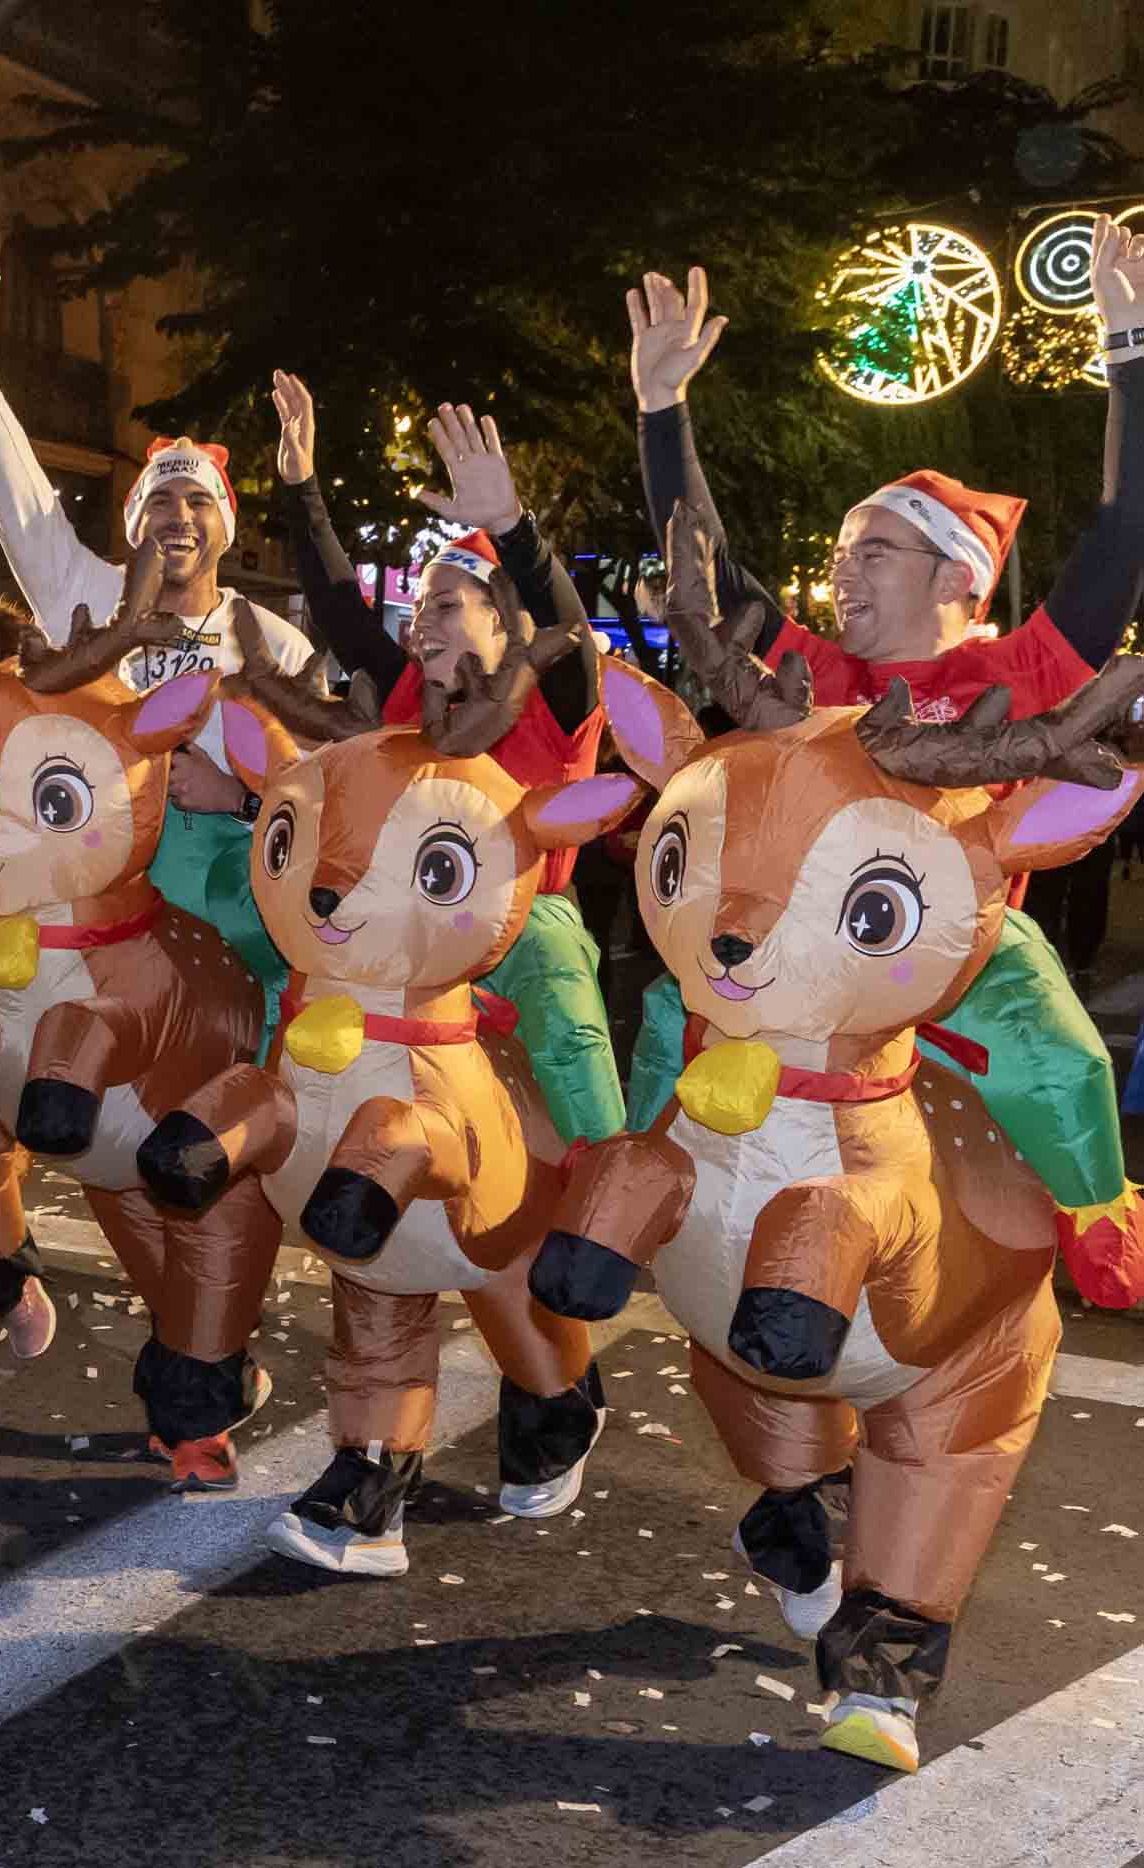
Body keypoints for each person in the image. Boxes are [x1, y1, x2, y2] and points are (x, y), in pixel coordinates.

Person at [625, 223, 1144, 1307]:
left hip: (961, 957)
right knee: (668, 1019)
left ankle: (1097, 1217)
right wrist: (662, 412)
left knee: (1066, 1058)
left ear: (955, 577)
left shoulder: (1028, 665)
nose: (839, 567)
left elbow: (1123, 528)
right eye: (838, 545)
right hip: (794, 961)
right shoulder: (806, 670)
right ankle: (632, 1184)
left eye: (872, 548)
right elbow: (707, 570)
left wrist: (1128, 351)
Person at [0, 227, 308, 1012]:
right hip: (84, 902)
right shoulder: (78, 591)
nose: (178, 518)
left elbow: (326, 788)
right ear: (132, 525)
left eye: (198, 502)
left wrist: (238, 799)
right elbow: (13, 484)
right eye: (158, 500)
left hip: (230, 920)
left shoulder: (274, 642)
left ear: (227, 526)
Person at [273, 370, 625, 1144]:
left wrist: (508, 522)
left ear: (504, 618)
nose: (417, 628)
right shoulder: (406, 694)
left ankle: (599, 1169)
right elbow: (336, 600)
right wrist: (299, 487)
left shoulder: (552, 689)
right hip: (402, 916)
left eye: (443, 606)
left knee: (553, 969)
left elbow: (560, 614)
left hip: (520, 917)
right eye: (415, 609)